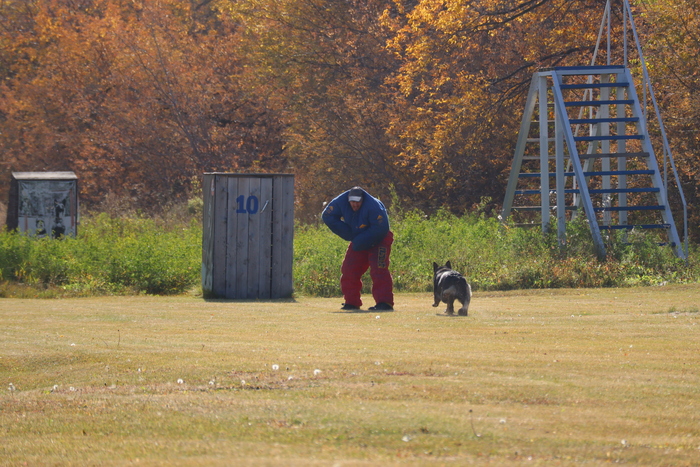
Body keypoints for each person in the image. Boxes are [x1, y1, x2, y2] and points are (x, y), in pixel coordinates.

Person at [322, 186, 394, 311]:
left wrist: (358, 239)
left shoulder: (374, 206)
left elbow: (381, 228)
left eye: (358, 202)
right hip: (359, 238)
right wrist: (349, 234)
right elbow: (328, 216)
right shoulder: (340, 202)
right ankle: (351, 302)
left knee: (379, 270)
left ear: (362, 200)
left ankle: (384, 303)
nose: (355, 205)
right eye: (352, 202)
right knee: (349, 270)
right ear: (348, 200)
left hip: (380, 238)